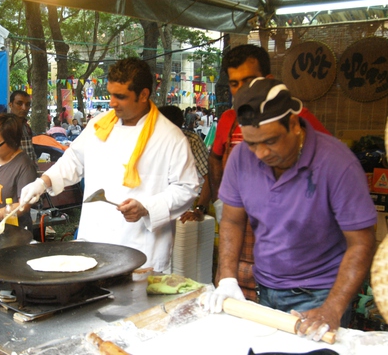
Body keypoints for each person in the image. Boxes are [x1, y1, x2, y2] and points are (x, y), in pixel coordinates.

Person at [204, 77, 376, 342]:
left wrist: (332, 307)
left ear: (294, 124)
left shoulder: (338, 164)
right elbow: (232, 221)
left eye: (270, 141)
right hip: (265, 287)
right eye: (252, 143)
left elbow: (362, 242)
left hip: (320, 293)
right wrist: (227, 278)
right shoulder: (241, 157)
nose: (260, 153)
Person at [19, 57, 198, 272]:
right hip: (94, 237)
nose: (112, 102)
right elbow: (73, 160)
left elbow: (187, 188)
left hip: (140, 247)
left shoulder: (169, 136)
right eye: (111, 94)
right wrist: (43, 182)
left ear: (143, 95)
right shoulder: (99, 124)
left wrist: (147, 207)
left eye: (120, 96)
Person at [209, 44, 332, 301]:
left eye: (249, 80)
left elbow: (324, 172)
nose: (241, 89)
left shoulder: (298, 118)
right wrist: (221, 201)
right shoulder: (229, 119)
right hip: (240, 237)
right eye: (234, 83)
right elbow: (215, 158)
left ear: (268, 80)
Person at [159, 105, 210, 223]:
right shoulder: (148, 141)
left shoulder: (192, 140)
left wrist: (200, 208)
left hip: (184, 208)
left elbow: (209, 176)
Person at [8, 90, 38, 167]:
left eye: (27, 104)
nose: (24, 108)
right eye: (19, 104)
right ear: (11, 105)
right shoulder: (4, 126)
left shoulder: (26, 127)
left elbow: (31, 152)